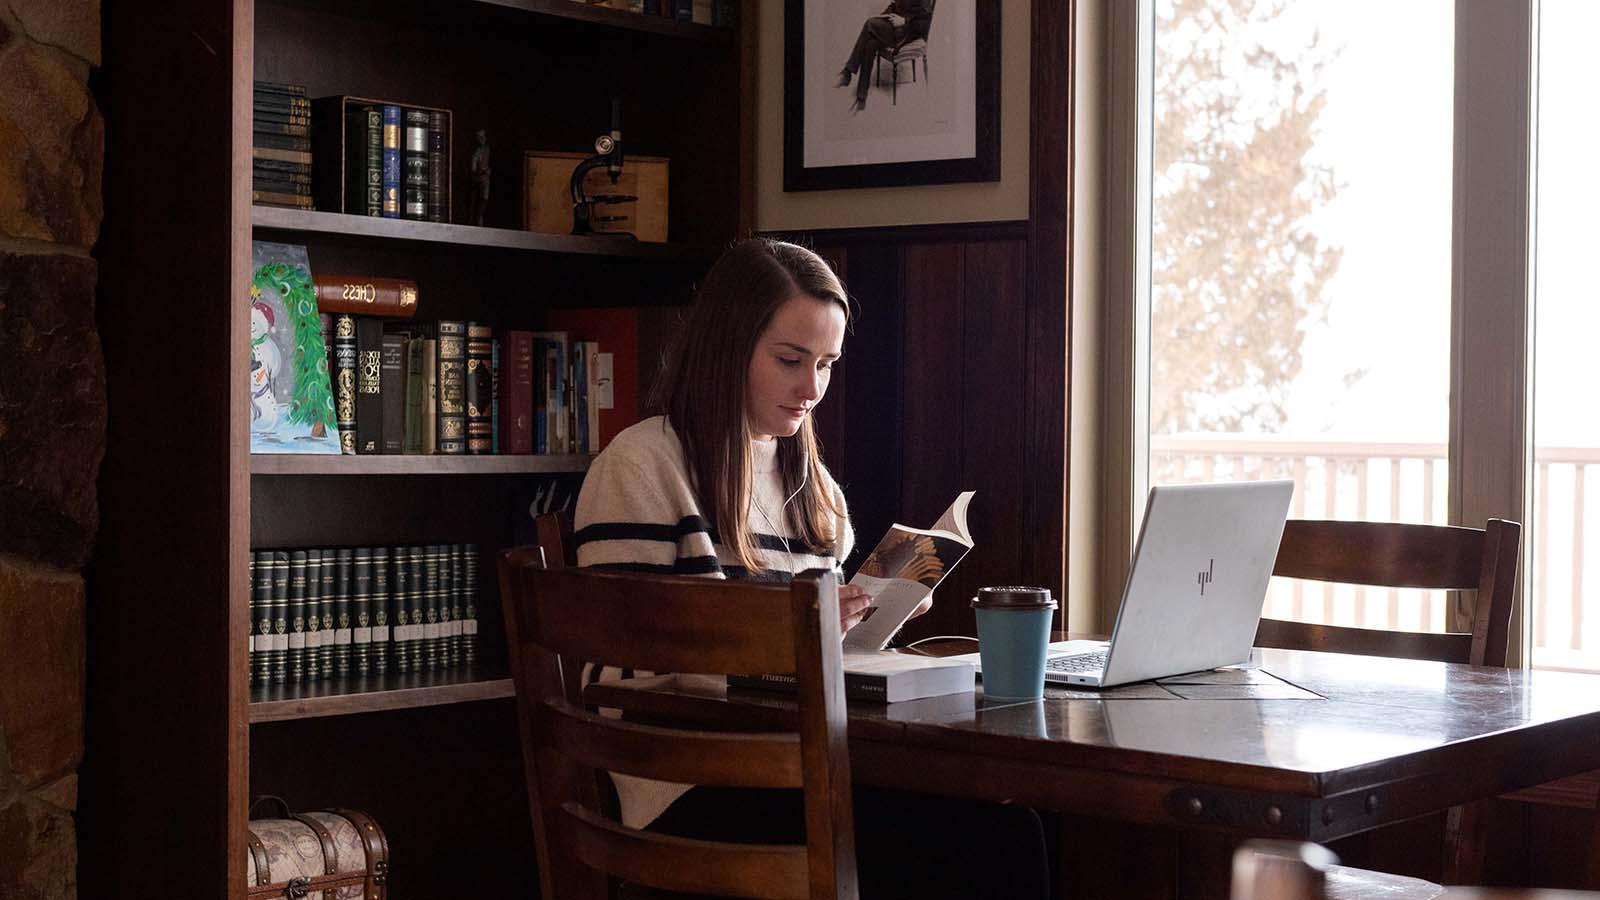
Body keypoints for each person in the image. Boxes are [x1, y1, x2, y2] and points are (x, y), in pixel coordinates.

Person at [573, 238, 1050, 899]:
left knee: (1010, 831)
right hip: (687, 790)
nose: (812, 388)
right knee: (987, 849)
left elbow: (810, 666)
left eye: (827, 364)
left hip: (799, 768)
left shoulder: (814, 486)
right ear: (727, 345)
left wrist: (869, 616)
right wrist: (789, 624)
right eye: (791, 360)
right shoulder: (640, 466)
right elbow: (622, 671)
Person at [835, 0, 935, 111]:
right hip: (894, 30)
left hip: (907, 34)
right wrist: (884, 16)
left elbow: (925, 21)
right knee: (870, 44)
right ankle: (861, 96)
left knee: (869, 24)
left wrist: (904, 21)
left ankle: (848, 72)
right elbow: (896, 6)